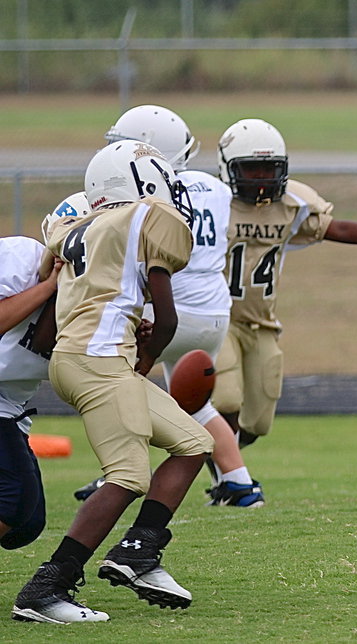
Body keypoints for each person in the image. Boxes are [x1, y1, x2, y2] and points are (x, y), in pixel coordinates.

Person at [13, 141, 213, 623]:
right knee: (127, 474)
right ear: (140, 181)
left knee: (194, 442)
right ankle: (46, 588)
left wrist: (125, 331)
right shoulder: (149, 217)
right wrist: (147, 354)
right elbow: (167, 318)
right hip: (101, 359)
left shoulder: (74, 225)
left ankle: (138, 551)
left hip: (79, 357)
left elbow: (58, 315)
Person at [210, 118, 357, 450]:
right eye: (252, 168)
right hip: (220, 318)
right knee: (226, 400)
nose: (262, 178)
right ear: (229, 167)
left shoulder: (290, 204)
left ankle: (219, 462)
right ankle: (229, 474)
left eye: (269, 168)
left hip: (261, 322)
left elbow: (340, 229)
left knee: (258, 423)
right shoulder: (212, 204)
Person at [73, 104, 264, 507]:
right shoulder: (215, 188)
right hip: (214, 314)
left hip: (166, 308)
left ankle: (118, 473)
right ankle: (240, 482)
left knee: (117, 388)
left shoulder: (148, 194)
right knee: (197, 404)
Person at [0, 235, 60, 554]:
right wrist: (48, 287)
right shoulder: (21, 260)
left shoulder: (103, 291)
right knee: (14, 501)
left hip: (11, 403)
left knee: (26, 525)